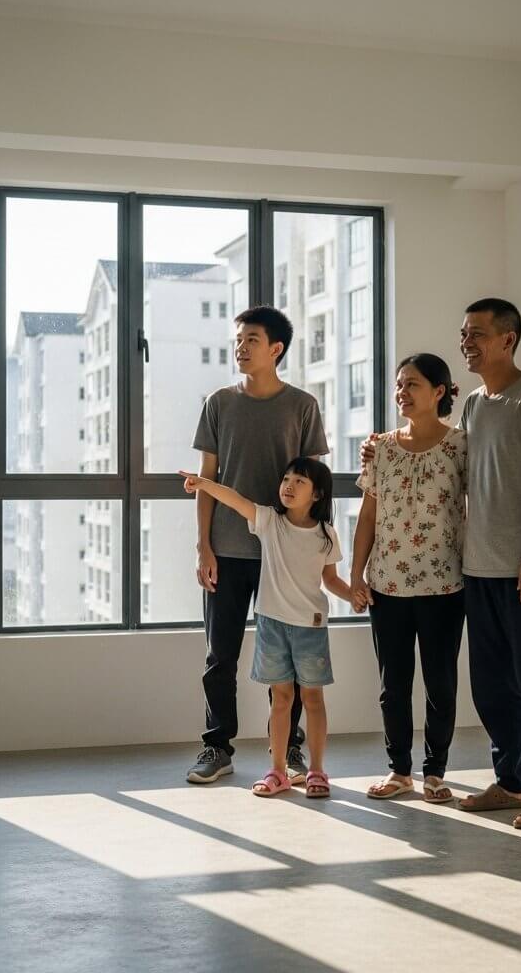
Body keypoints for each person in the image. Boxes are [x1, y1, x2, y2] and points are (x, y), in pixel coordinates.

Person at [360, 299, 521, 831]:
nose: (466, 342)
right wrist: (376, 449)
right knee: (493, 685)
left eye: (476, 333)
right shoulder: (475, 404)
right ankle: (511, 781)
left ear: (509, 339)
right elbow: (440, 458)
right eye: (462, 333)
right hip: (477, 569)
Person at [187, 307, 328, 785]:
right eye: (238, 339)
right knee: (219, 655)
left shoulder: (302, 406)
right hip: (226, 550)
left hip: (283, 555)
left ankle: (287, 750)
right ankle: (216, 746)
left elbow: (312, 482)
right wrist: (203, 547)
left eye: (251, 339)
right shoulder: (219, 403)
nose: (240, 347)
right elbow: (207, 481)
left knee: (284, 661)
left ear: (276, 349)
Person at [181, 458, 353, 798]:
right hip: (272, 627)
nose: (288, 485)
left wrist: (355, 595)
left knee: (313, 699)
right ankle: (277, 772)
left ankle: (317, 771)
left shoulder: (326, 535)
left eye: (299, 481)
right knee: (281, 700)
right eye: (285, 478)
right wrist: (204, 484)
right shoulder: (270, 521)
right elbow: (234, 499)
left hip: (311, 628)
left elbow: (330, 580)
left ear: (317, 494)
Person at [351, 354, 467, 804]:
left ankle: (435, 773)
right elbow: (369, 513)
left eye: (412, 384)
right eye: (399, 385)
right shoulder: (380, 447)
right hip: (388, 584)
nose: (402, 392)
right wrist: (357, 571)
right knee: (392, 685)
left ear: (439, 392)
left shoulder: (462, 446)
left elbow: (476, 509)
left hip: (445, 585)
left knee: (441, 683)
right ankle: (399, 770)